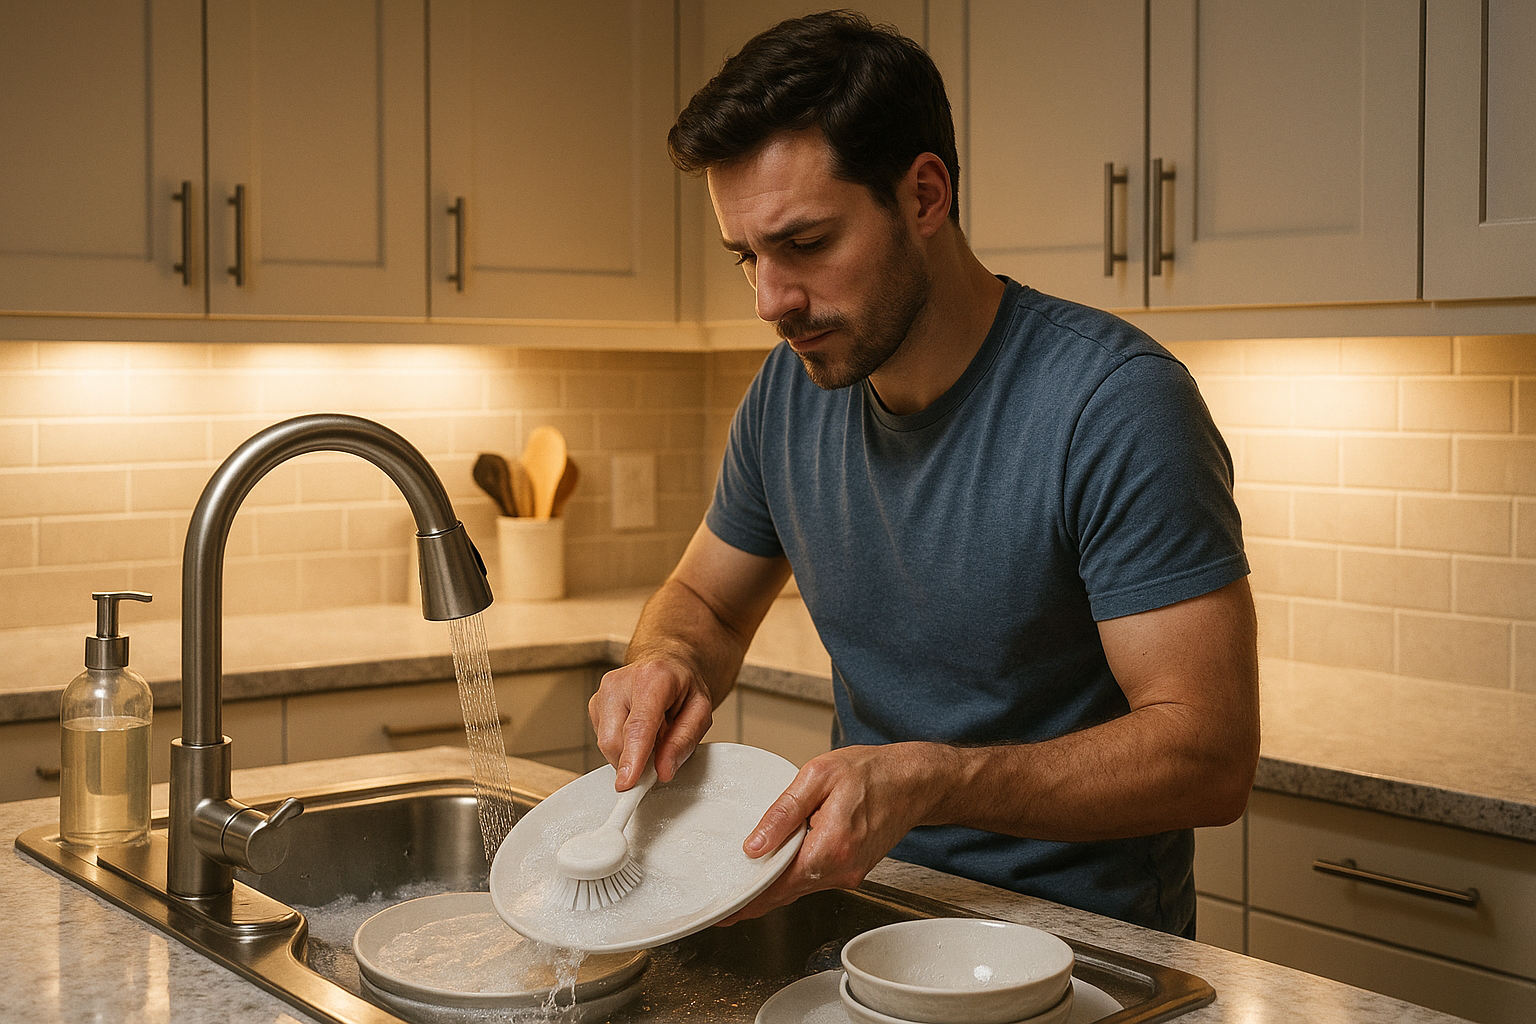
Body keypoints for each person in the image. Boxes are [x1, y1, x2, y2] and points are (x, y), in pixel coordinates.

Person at [588, 10, 1259, 936]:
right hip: (869, 918)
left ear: (925, 196)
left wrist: (932, 781)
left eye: (806, 244)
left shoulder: (1115, 405)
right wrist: (665, 660)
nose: (770, 301)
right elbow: (706, 603)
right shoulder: (788, 394)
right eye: (748, 256)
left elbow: (1210, 757)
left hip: (1082, 951)